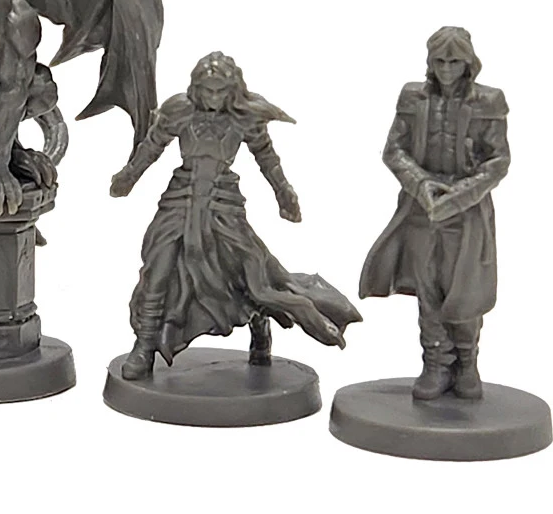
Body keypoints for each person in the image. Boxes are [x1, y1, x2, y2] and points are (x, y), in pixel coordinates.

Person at [110, 51, 360, 380]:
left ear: (233, 91)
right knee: (158, 269)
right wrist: (129, 175)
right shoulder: (180, 110)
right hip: (181, 199)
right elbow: (152, 146)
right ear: (196, 88)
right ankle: (144, 346)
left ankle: (260, 327)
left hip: (222, 203)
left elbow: (266, 158)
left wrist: (284, 192)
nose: (214, 98)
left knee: (249, 273)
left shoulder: (244, 118)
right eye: (207, 90)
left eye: (221, 91)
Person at [359, 26, 509, 400]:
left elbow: (498, 161)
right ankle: (436, 363)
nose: (446, 69)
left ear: (468, 63)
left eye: (454, 61)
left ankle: (467, 362)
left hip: (467, 212)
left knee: (464, 291)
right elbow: (394, 151)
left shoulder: (488, 101)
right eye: (439, 61)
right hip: (420, 209)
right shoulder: (413, 97)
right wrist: (422, 185)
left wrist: (459, 196)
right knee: (427, 289)